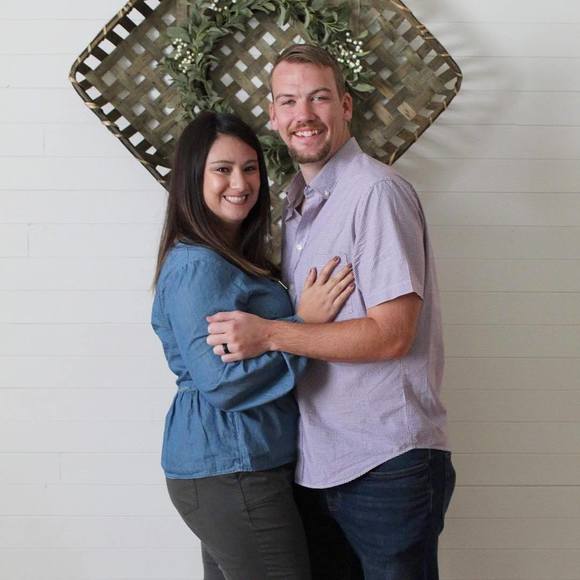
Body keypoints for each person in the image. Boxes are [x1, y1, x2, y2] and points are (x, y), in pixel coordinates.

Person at [206, 45, 456, 579]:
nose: (304, 114)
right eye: (289, 101)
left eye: (319, 98)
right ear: (273, 116)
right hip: (319, 463)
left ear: (345, 106)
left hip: (386, 462)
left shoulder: (375, 193)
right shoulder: (298, 208)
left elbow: (392, 335)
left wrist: (272, 334)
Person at [151, 110, 355, 580]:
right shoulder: (198, 266)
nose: (240, 183)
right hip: (231, 467)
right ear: (192, 179)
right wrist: (305, 329)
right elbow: (223, 382)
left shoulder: (232, 258)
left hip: (242, 464)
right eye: (222, 170)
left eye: (249, 168)